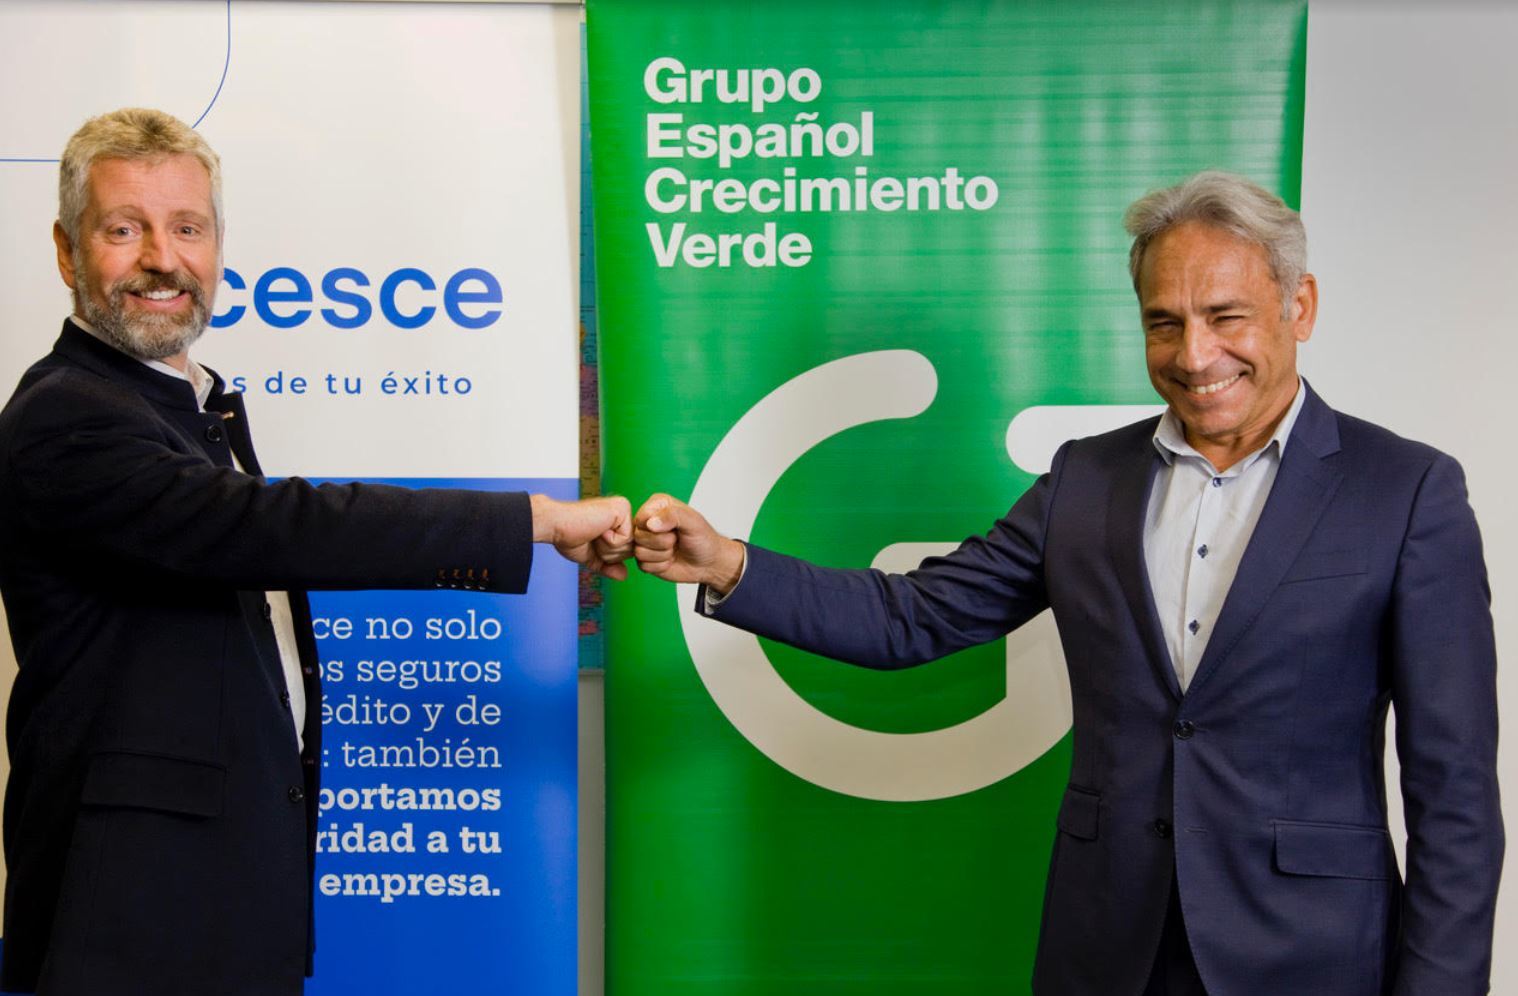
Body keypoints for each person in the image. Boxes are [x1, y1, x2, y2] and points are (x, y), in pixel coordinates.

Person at [633, 171, 1502, 995]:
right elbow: (912, 617)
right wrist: (725, 563)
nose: (1195, 354)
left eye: (1225, 317)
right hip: (1108, 950)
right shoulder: (1087, 478)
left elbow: (1455, 792)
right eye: (1164, 323)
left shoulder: (1407, 491)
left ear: (1298, 306)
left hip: (1311, 959)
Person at [0, 107, 631, 995]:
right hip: (127, 923)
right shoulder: (68, 414)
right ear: (69, 253)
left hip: (218, 905)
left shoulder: (186, 405)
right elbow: (276, 527)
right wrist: (535, 518)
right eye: (124, 229)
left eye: (188, 228)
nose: (163, 259)